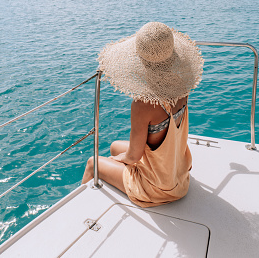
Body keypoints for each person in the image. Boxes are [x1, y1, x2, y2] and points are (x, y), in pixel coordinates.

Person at [81, 21, 204, 207]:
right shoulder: (182, 86)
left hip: (156, 189)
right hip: (179, 177)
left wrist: (119, 160)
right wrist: (118, 156)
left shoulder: (143, 104)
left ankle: (83, 209)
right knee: (115, 146)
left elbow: (133, 157)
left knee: (93, 163)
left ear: (139, 58)